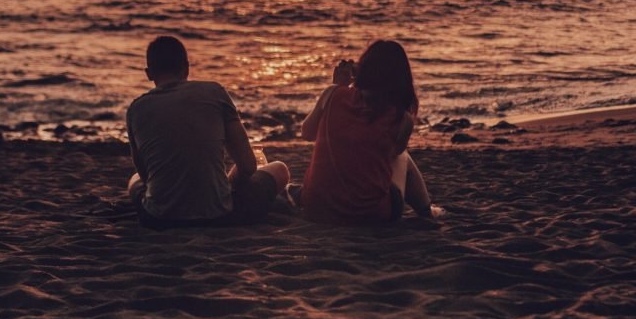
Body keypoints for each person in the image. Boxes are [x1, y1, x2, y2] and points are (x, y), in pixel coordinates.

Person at [126, 36, 290, 229]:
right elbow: (247, 166)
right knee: (279, 169)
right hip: (220, 216)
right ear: (186, 67)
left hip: (159, 220)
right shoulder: (214, 92)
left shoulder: (136, 109)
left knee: (134, 180)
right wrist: (228, 184)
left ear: (149, 73)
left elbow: (146, 177)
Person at [296, 40, 442, 224]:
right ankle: (426, 211)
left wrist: (339, 86)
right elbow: (392, 155)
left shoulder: (332, 94)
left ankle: (426, 209)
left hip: (316, 208)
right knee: (402, 156)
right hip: (372, 214)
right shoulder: (401, 118)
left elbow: (307, 133)